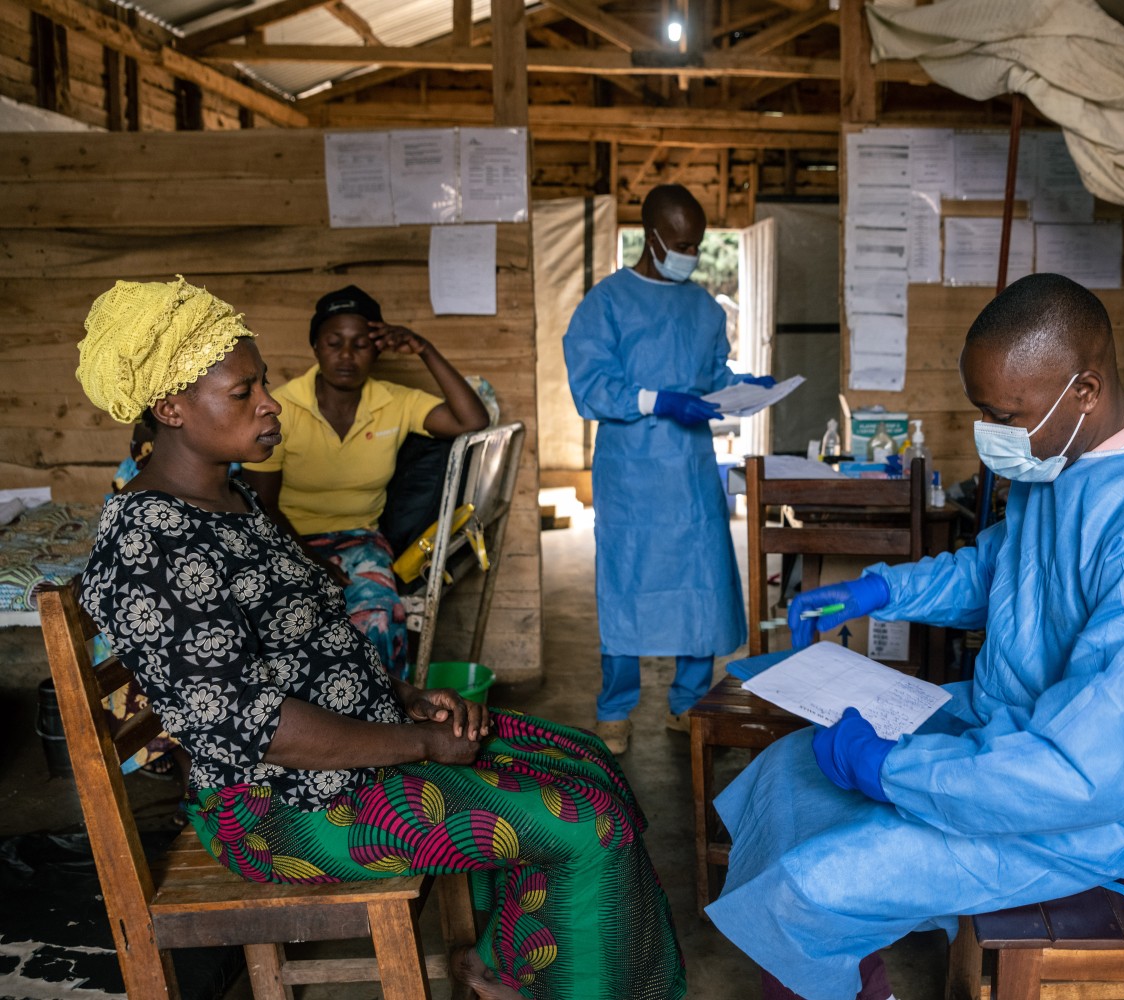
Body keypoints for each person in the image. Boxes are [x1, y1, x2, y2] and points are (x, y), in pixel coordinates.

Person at [73, 277, 687, 1000]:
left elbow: (308, 644)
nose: (270, 402)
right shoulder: (155, 543)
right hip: (282, 808)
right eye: (243, 392)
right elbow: (252, 727)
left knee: (588, 762)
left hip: (356, 744)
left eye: (263, 382)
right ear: (171, 408)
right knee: (589, 826)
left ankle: (502, 968)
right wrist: (423, 743)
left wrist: (407, 697)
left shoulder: (232, 498)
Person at [705, 274, 1124, 1000]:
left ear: (1083, 389)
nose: (991, 433)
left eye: (1003, 414)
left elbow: (1081, 772)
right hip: (1000, 727)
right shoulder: (1069, 456)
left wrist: (891, 772)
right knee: (788, 773)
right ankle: (851, 974)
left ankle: (842, 969)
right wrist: (885, 589)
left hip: (1083, 810)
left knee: (814, 883)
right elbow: (1003, 566)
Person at [563, 184, 773, 754]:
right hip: (631, 474)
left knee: (699, 585)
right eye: (680, 242)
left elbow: (709, 374)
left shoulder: (703, 307)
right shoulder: (605, 304)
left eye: (696, 244)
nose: (690, 253)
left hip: (689, 472)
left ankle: (687, 704)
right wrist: (658, 400)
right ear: (651, 236)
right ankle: (615, 711)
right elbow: (591, 388)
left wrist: (742, 385)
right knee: (626, 585)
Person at [242, 285, 490, 680]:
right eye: (334, 342)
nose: (346, 355)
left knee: (376, 614)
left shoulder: (395, 401)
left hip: (361, 539)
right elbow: (260, 506)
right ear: (315, 347)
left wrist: (424, 348)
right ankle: (317, 727)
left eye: (360, 344)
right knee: (285, 622)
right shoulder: (281, 409)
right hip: (286, 539)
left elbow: (473, 421)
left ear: (378, 350)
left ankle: (385, 720)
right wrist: (310, 560)